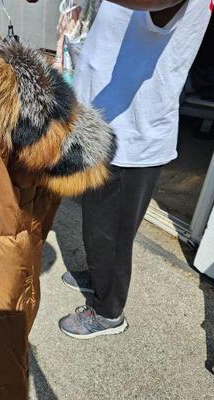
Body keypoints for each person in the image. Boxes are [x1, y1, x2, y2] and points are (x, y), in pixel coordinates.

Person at [59, 0, 212, 339]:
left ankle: (108, 311)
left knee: (109, 234)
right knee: (98, 225)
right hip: (107, 123)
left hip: (129, 133)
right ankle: (99, 279)